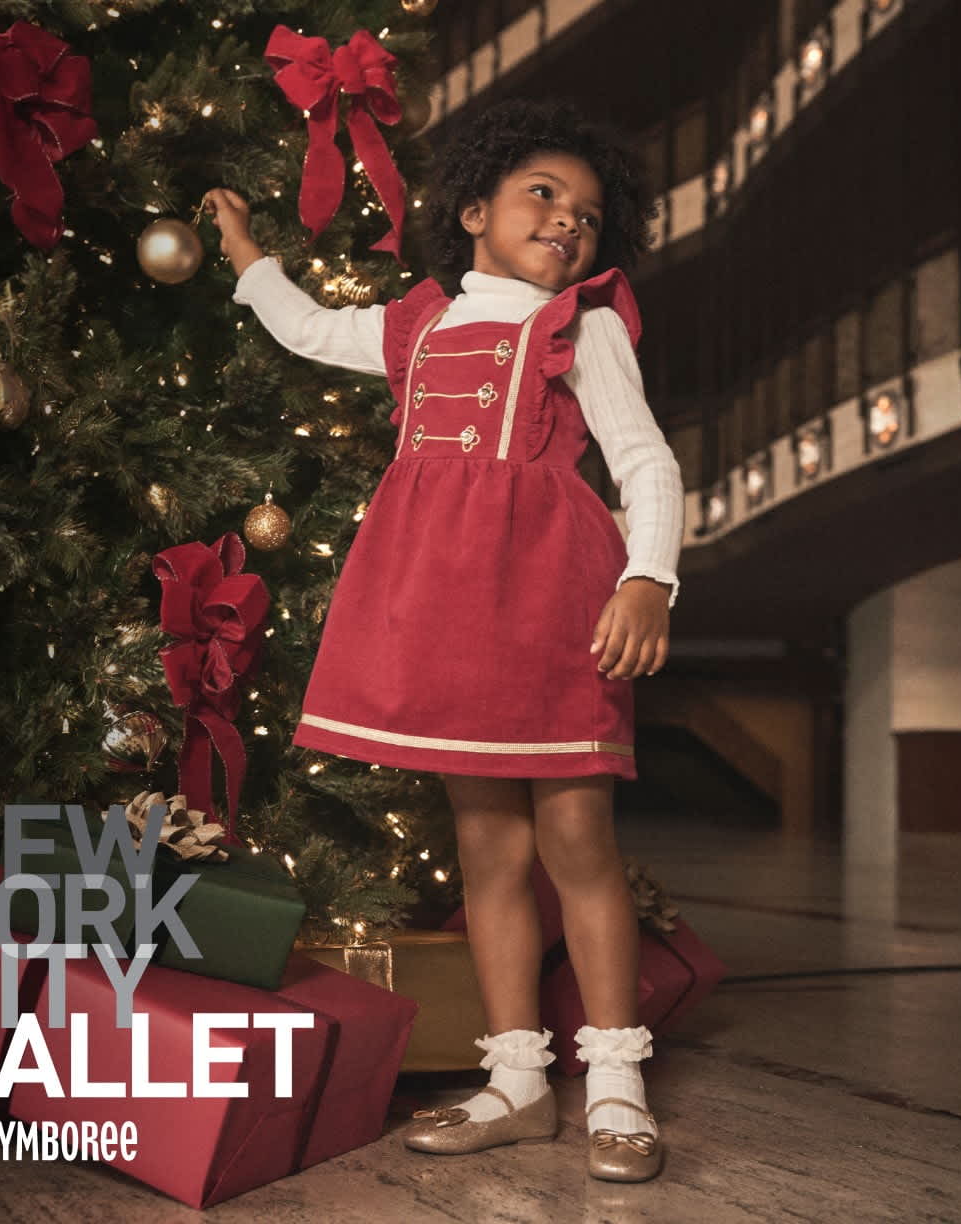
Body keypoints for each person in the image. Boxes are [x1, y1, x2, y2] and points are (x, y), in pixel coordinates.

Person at [205, 97, 684, 1183]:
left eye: (590, 216)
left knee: (579, 843)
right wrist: (249, 262)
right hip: (453, 615)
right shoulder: (418, 324)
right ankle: (518, 1081)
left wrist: (648, 578)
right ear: (475, 210)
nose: (569, 222)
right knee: (490, 853)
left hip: (559, 610)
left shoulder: (585, 325)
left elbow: (645, 461)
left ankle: (614, 1085)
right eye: (543, 196)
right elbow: (313, 331)